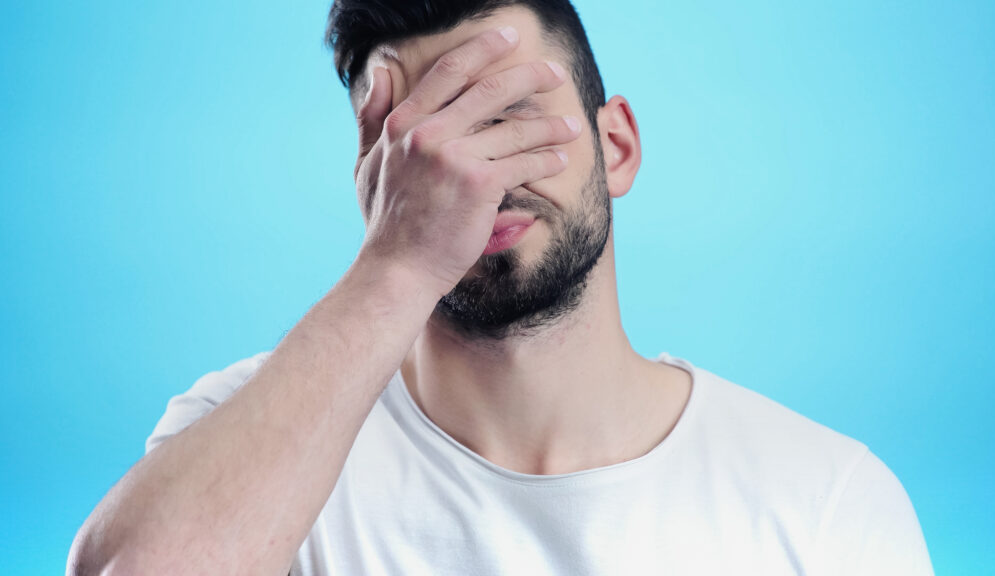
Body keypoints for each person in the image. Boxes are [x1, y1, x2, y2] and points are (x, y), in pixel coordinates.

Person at [68, 1, 934, 575]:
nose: (469, 171)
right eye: (422, 141)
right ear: (377, 187)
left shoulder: (823, 498)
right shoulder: (246, 433)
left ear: (617, 148)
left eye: (506, 116)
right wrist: (398, 265)